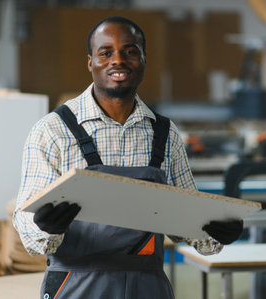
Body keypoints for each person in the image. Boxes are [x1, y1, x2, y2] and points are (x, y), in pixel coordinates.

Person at [13, 16, 243, 299]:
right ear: (91, 62)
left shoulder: (164, 134)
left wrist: (215, 231)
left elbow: (183, 219)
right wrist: (44, 226)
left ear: (144, 59)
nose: (117, 61)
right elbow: (28, 228)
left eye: (130, 51)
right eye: (105, 52)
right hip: (76, 285)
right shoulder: (53, 131)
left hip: (147, 285)